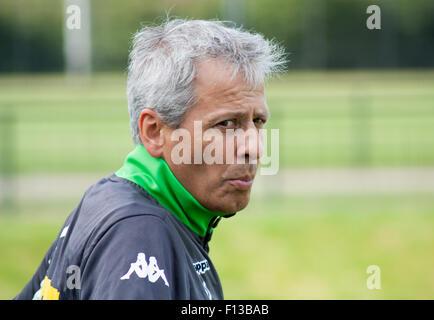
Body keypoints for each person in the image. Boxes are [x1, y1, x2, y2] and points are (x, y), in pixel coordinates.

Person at [15, 18, 286, 300]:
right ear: (155, 131)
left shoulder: (113, 200)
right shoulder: (137, 235)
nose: (254, 147)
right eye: (227, 124)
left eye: (258, 121)